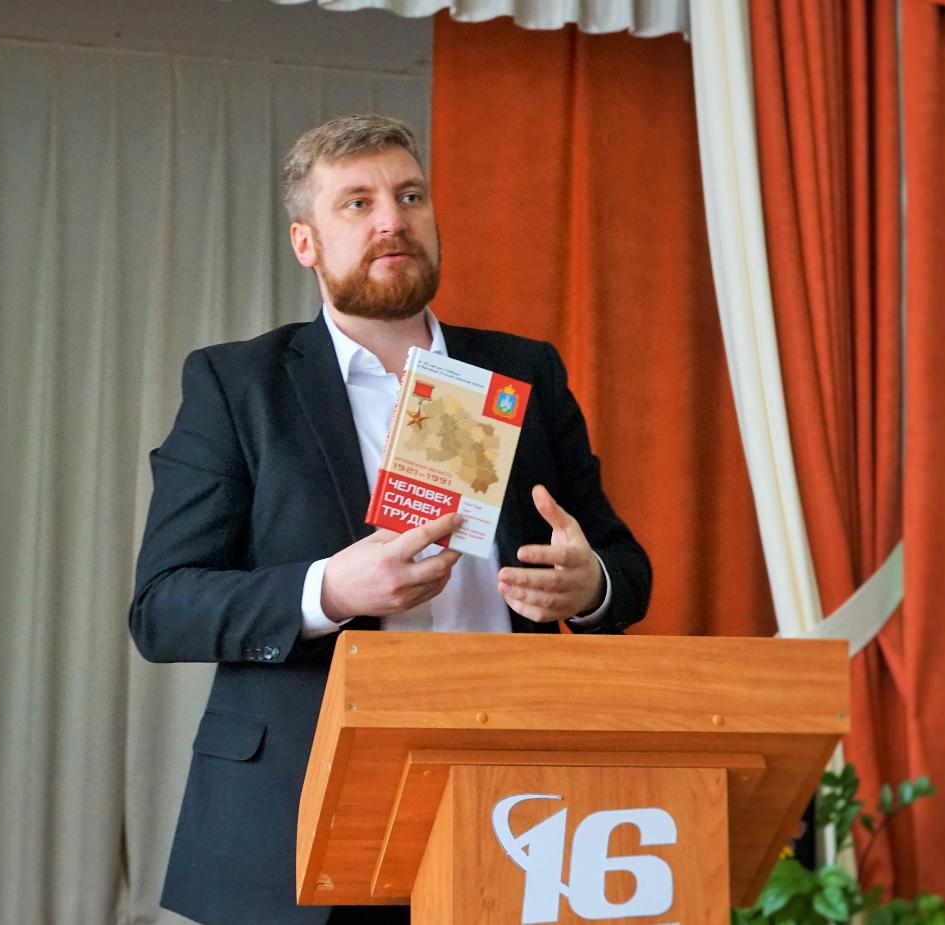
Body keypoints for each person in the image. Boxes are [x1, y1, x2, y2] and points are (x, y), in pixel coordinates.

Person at [129, 114, 651, 925]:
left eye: (410, 196)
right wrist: (330, 589)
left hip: (513, 808)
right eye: (358, 202)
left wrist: (590, 586)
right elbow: (164, 607)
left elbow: (623, 567)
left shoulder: (523, 372)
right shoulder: (238, 385)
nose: (392, 220)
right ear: (305, 242)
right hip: (303, 818)